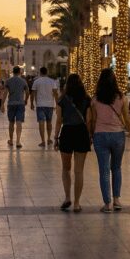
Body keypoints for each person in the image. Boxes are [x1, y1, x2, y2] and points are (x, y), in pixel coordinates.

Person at [88, 68, 130, 213]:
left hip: (100, 135)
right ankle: (117, 200)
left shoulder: (95, 99)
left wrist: (91, 135)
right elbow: (127, 118)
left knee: (104, 170)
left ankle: (107, 204)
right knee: (116, 168)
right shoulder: (122, 98)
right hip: (117, 135)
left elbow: (93, 120)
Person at [53, 74, 90, 212]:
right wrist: (90, 135)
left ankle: (67, 197)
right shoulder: (86, 99)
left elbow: (58, 121)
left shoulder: (62, 99)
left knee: (66, 168)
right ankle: (77, 203)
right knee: (79, 171)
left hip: (67, 133)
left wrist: (56, 138)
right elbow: (89, 120)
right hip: (81, 133)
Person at [30, 66, 59, 147]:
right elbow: (55, 93)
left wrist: (31, 103)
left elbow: (33, 93)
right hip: (50, 105)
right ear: (47, 72)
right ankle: (49, 138)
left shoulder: (36, 81)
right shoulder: (52, 81)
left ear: (40, 72)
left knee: (41, 123)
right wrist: (57, 104)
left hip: (40, 105)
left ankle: (43, 141)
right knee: (49, 122)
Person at [3, 66, 29, 148]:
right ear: (19, 72)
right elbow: (27, 91)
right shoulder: (23, 81)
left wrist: (2, 104)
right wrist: (26, 100)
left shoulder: (8, 81)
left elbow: (5, 93)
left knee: (11, 122)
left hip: (11, 104)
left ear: (13, 72)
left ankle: (11, 140)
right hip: (20, 104)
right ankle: (18, 141)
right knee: (19, 122)